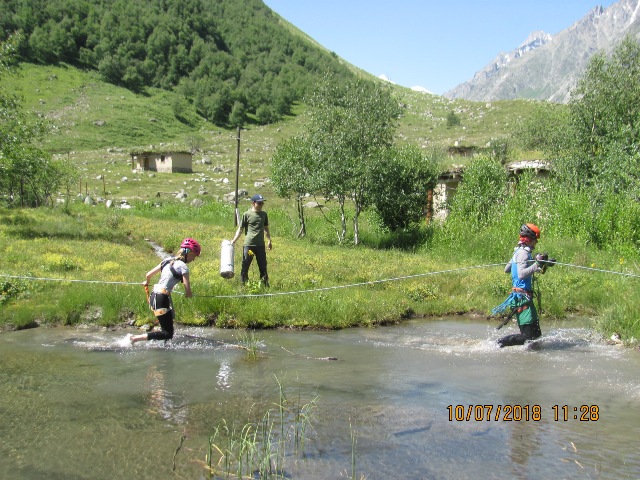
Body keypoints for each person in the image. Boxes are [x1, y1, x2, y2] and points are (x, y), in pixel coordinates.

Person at [130, 238, 201, 344]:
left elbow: (148, 274)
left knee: (168, 329)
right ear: (189, 253)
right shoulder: (184, 267)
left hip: (155, 296)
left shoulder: (167, 261)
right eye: (194, 256)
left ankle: (165, 348)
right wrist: (189, 294)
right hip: (162, 298)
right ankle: (135, 339)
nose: (193, 259)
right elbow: (187, 288)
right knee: (167, 333)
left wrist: (146, 282)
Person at [493, 223, 545, 348]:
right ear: (530, 239)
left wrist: (538, 264)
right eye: (535, 240)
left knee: (536, 335)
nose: (536, 243)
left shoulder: (518, 252)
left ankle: (531, 357)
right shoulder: (524, 254)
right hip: (521, 299)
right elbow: (521, 274)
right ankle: (499, 343)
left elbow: (507, 269)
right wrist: (536, 264)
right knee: (527, 336)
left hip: (524, 297)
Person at [231, 193, 272, 286]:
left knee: (263, 266)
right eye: (259, 203)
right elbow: (240, 229)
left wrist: (269, 240)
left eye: (262, 203)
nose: (261, 205)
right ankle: (243, 284)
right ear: (253, 203)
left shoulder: (264, 215)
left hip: (260, 246)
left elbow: (266, 228)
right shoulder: (247, 214)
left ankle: (265, 285)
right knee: (245, 265)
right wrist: (233, 241)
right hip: (249, 245)